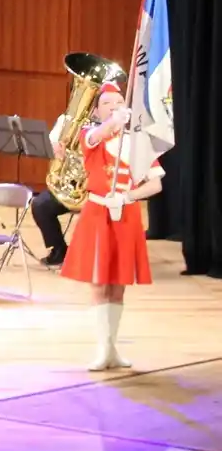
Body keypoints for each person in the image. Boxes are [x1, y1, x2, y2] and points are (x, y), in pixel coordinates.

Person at [59, 82, 162, 371]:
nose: (114, 107)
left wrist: (129, 196)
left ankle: (112, 347)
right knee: (98, 281)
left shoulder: (138, 143)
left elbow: (155, 184)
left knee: (118, 284)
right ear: (96, 111)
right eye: (107, 104)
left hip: (126, 215)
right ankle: (102, 349)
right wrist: (114, 122)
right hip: (97, 214)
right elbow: (98, 134)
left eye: (119, 102)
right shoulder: (89, 135)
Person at [30, 113, 73, 266]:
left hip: (102, 188)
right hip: (73, 183)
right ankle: (59, 250)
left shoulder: (121, 123)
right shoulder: (68, 118)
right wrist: (55, 147)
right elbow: (50, 141)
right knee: (40, 205)